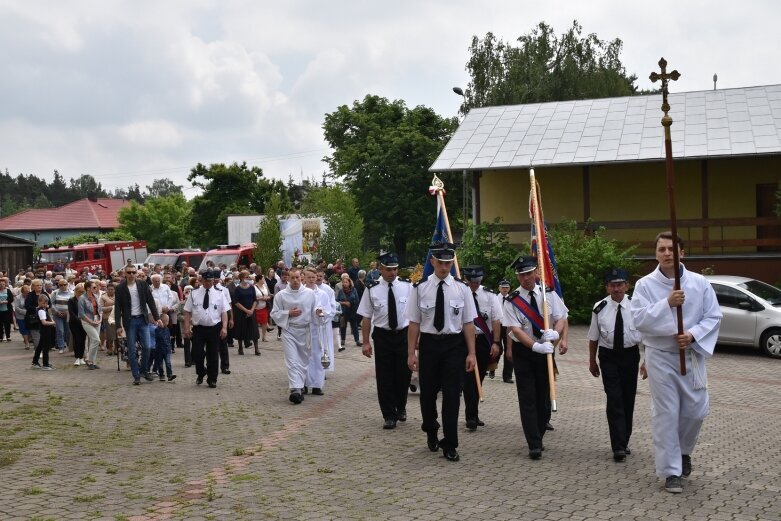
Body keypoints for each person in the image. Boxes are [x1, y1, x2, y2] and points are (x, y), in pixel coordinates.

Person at [630, 232, 722, 494]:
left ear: (682, 252)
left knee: (696, 410)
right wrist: (667, 303)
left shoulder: (699, 283)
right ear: (655, 253)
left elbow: (713, 316)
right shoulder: (645, 285)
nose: (667, 254)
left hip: (691, 353)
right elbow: (638, 319)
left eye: (672, 249)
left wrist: (692, 335)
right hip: (660, 355)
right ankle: (671, 471)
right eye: (661, 250)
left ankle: (683, 452)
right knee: (667, 413)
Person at [406, 242, 477, 462]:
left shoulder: (462, 288)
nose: (445, 267)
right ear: (432, 262)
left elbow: (468, 323)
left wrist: (471, 353)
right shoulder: (419, 288)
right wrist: (411, 353)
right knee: (427, 395)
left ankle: (450, 443)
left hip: (454, 346)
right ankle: (430, 428)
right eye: (441, 262)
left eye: (448, 263)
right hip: (429, 345)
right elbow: (414, 323)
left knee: (452, 396)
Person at [501, 256, 568, 460]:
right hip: (525, 353)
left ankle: (539, 432)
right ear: (517, 277)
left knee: (544, 398)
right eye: (522, 275)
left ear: (536, 273)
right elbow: (515, 329)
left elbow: (561, 317)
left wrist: (556, 334)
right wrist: (535, 346)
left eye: (529, 273)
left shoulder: (548, 294)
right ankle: (534, 443)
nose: (526, 278)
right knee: (527, 397)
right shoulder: (512, 300)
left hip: (546, 351)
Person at [588, 269, 643, 462]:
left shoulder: (637, 306)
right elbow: (594, 337)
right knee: (614, 399)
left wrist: (648, 361)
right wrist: (591, 360)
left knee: (628, 399)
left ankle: (624, 439)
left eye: (620, 284)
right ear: (607, 287)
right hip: (608, 356)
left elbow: (648, 335)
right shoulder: (599, 307)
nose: (616, 288)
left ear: (627, 286)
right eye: (612, 285)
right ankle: (618, 446)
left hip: (630, 356)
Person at [358, 252, 412, 429]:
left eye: (395, 269)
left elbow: (414, 316)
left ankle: (401, 406)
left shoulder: (407, 287)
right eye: (389, 269)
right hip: (382, 336)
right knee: (384, 377)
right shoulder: (372, 289)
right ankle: (389, 414)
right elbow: (366, 317)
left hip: (403, 335)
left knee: (403, 375)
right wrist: (366, 342)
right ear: (380, 269)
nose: (393, 273)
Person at [269, 267, 321, 404]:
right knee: (292, 361)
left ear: (301, 277)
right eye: (292, 278)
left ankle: (300, 385)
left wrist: (318, 312)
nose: (295, 280)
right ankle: (295, 390)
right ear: (288, 278)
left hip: (305, 331)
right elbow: (274, 313)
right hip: (289, 330)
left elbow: (315, 309)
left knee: (303, 361)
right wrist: (287, 313)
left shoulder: (309, 293)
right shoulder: (281, 295)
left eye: (298, 277)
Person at [461, 265, 503, 431]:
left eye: (478, 281)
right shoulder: (460, 292)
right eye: (472, 282)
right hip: (464, 340)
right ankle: (470, 416)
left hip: (483, 340)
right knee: (469, 378)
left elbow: (496, 320)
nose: (475, 285)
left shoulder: (490, 295)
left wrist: (496, 342)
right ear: (466, 279)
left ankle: (474, 413)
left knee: (480, 378)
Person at [114, 264, 163, 385]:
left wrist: (157, 318)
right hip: (130, 321)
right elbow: (118, 308)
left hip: (143, 319)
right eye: (129, 272)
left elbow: (150, 301)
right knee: (132, 349)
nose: (131, 274)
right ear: (125, 274)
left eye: (133, 272)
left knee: (147, 346)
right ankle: (136, 375)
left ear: (136, 273)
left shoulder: (142, 284)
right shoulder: (120, 288)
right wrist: (118, 326)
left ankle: (144, 370)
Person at [183, 269, 230, 389]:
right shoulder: (194, 293)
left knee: (213, 355)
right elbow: (187, 311)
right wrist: (187, 327)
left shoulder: (220, 293)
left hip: (214, 328)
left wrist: (224, 327)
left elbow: (224, 312)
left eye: (211, 280)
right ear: (201, 280)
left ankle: (212, 379)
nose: (209, 283)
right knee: (197, 354)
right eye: (207, 280)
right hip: (199, 328)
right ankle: (201, 372)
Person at [303, 267, 337, 396]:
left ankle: (317, 385)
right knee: (305, 357)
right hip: (305, 329)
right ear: (304, 277)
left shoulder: (322, 294)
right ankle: (304, 384)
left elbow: (329, 311)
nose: (312, 279)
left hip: (318, 329)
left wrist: (320, 313)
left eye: (314, 277)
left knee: (318, 356)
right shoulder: (301, 293)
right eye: (309, 277)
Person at [232, 270, 259, 355]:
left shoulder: (251, 287)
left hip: (251, 311)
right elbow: (236, 302)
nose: (248, 279)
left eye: (248, 277)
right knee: (241, 329)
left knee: (254, 330)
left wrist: (251, 310)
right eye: (246, 277)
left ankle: (256, 349)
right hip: (241, 312)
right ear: (241, 278)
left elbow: (255, 300)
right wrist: (246, 310)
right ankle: (240, 348)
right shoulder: (237, 289)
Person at [79, 280, 103, 369]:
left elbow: (100, 309)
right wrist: (91, 322)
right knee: (96, 340)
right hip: (87, 321)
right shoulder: (82, 298)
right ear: (88, 288)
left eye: (96, 287)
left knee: (94, 341)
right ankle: (89, 360)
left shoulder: (96, 296)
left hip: (96, 319)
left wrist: (100, 319)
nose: (96, 288)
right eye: (94, 287)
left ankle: (93, 362)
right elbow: (81, 314)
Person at [31, 294, 56, 370]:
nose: (45, 305)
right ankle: (45, 364)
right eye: (43, 303)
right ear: (38, 302)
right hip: (45, 330)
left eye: (46, 303)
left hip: (44, 330)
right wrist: (52, 323)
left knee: (40, 346)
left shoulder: (41, 309)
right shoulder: (41, 311)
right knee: (46, 347)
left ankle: (35, 362)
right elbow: (44, 322)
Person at [337, 277, 360, 349]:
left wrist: (350, 302)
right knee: (343, 326)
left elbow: (357, 300)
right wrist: (344, 303)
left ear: (350, 283)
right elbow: (337, 301)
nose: (344, 284)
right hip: (344, 311)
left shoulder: (354, 290)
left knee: (354, 326)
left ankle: (357, 340)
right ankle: (343, 340)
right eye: (343, 282)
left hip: (352, 311)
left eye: (346, 282)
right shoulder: (341, 291)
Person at [68, 284, 87, 366]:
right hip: (74, 323)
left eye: (83, 292)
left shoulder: (85, 300)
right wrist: (79, 320)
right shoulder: (71, 300)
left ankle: (81, 357)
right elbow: (71, 312)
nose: (81, 293)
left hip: (84, 322)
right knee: (77, 339)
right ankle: (77, 357)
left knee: (83, 339)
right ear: (75, 291)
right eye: (79, 291)